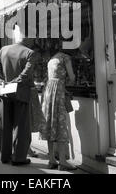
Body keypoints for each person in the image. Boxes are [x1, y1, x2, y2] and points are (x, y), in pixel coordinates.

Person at [0, 36, 36, 165]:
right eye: (32, 40)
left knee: (4, 125)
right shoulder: (29, 52)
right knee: (21, 126)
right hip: (21, 93)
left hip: (4, 92)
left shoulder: (3, 50)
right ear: (27, 40)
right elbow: (26, 73)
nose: (33, 42)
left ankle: (5, 156)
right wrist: (14, 82)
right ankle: (19, 158)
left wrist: (2, 81)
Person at [40, 39, 77, 171]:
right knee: (61, 125)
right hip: (59, 92)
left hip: (48, 92)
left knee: (50, 124)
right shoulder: (66, 58)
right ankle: (62, 161)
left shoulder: (51, 60)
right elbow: (72, 78)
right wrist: (68, 83)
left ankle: (51, 160)